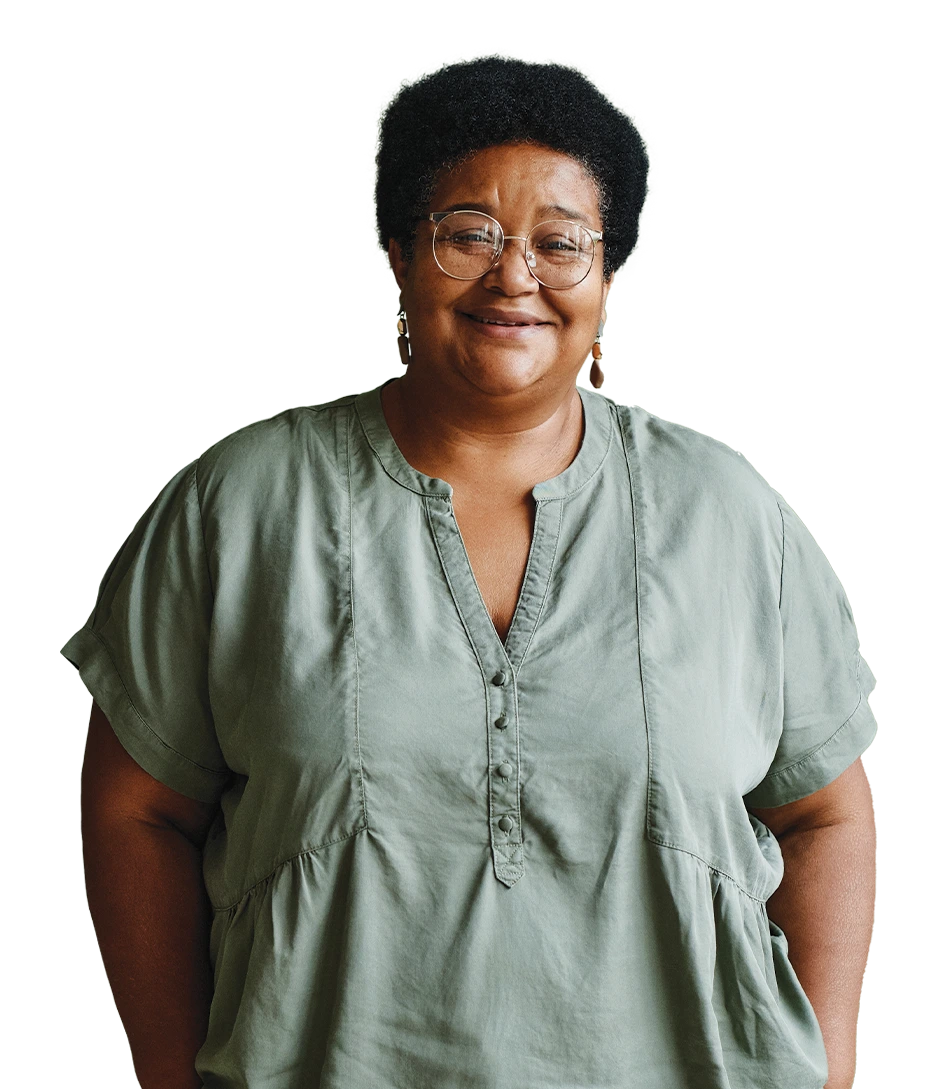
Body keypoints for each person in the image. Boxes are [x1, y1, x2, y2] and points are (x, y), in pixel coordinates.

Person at [62, 53, 878, 1089]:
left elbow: (822, 812)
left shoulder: (727, 515)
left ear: (607, 280)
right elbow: (138, 811)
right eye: (468, 235)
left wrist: (828, 1070)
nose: (513, 276)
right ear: (401, 255)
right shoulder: (244, 504)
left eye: (560, 243)